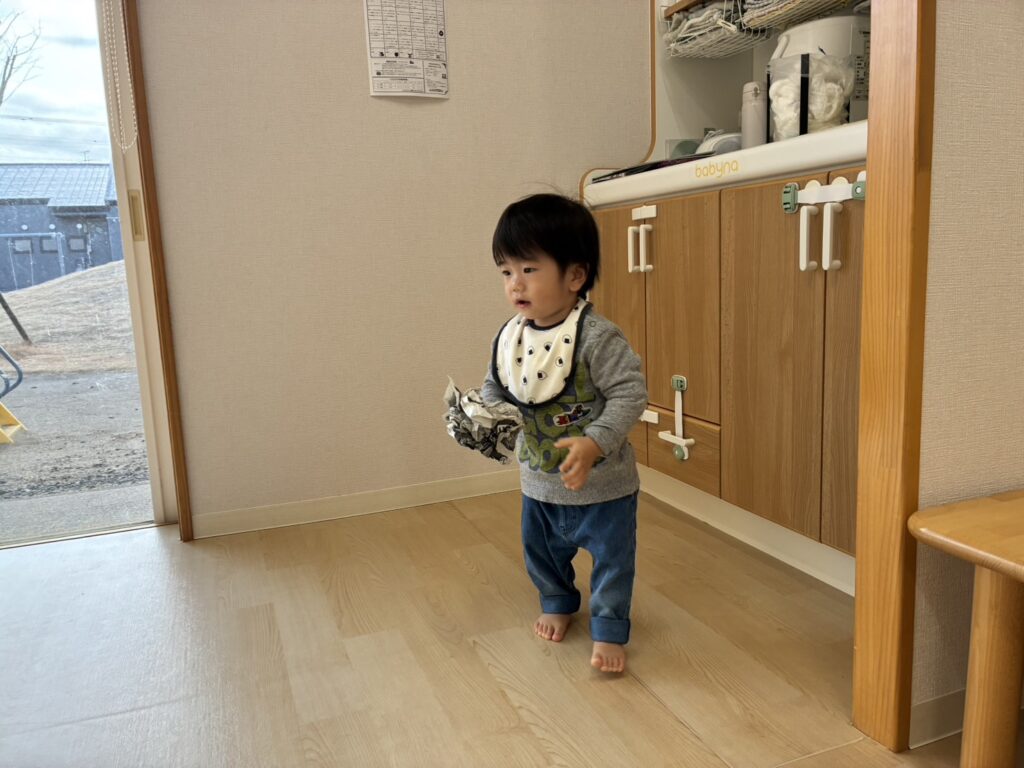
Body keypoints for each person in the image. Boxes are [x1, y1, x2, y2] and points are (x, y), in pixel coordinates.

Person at [481, 193, 648, 673]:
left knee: (613, 561)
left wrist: (595, 442)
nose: (515, 283)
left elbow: (630, 393)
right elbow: (496, 386)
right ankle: (556, 600)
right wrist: (486, 416)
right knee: (541, 553)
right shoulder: (510, 337)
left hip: (604, 487)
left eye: (529, 269)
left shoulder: (597, 337)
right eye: (506, 271)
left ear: (575, 276)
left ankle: (609, 627)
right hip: (539, 482)